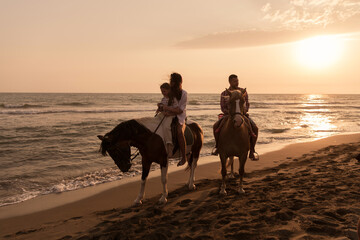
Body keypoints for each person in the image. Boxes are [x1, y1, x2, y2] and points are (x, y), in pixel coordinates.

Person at [212, 74, 259, 160]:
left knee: (255, 128)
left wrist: (244, 110)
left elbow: (247, 103)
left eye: (237, 81)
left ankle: (252, 150)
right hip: (229, 115)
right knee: (215, 126)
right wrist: (229, 112)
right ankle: (217, 147)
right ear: (230, 82)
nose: (237, 83)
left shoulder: (243, 92)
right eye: (234, 81)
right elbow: (223, 107)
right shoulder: (224, 93)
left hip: (242, 114)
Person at [162, 73, 188, 166]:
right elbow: (165, 101)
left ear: (177, 82)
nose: (171, 82)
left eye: (173, 81)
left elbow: (180, 110)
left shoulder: (184, 93)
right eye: (171, 81)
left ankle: (184, 157)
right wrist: (161, 107)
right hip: (169, 114)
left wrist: (168, 109)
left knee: (179, 132)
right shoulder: (170, 91)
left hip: (180, 116)